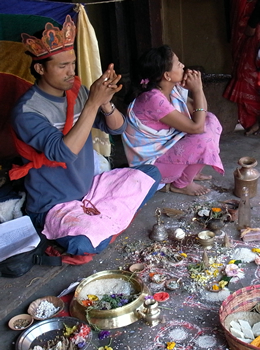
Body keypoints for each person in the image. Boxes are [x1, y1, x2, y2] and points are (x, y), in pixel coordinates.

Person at [10, 15, 161, 256]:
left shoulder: (77, 91)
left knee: (150, 174)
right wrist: (92, 103)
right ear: (40, 68)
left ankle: (101, 221)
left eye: (73, 64)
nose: (71, 72)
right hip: (53, 203)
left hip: (90, 188)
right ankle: (100, 223)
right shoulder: (28, 110)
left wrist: (106, 103)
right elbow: (63, 152)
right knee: (83, 246)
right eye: (62, 66)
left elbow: (117, 128)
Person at [122, 45, 224, 196]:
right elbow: (197, 127)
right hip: (151, 166)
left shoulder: (172, 89)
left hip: (165, 153)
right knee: (203, 138)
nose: (183, 65)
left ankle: (190, 173)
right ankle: (181, 184)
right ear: (167, 76)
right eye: (178, 63)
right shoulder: (153, 99)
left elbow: (198, 112)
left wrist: (195, 88)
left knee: (211, 119)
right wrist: (198, 89)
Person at [223, 0, 260, 135]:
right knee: (246, 74)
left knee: (250, 74)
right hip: (243, 27)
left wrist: (252, 23)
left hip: (253, 26)